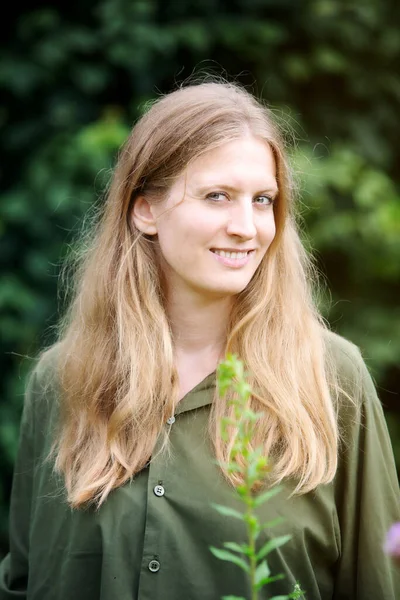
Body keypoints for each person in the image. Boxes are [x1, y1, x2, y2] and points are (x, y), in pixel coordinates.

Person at [0, 80, 399, 600]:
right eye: (217, 197)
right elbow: (25, 584)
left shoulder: (332, 380)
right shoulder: (61, 381)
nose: (247, 226)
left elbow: (378, 584)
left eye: (263, 200)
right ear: (145, 210)